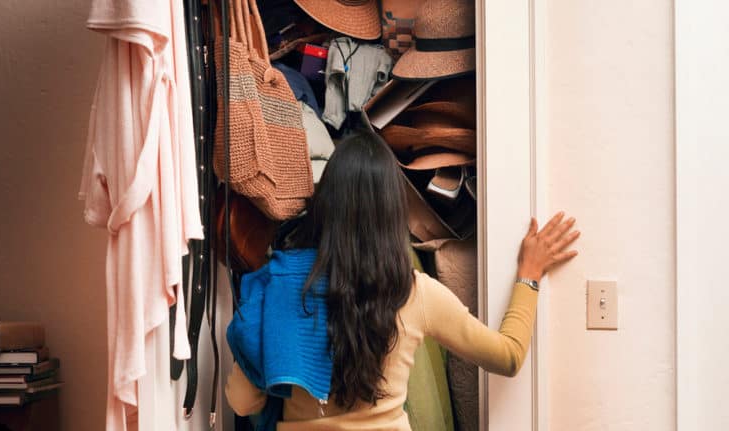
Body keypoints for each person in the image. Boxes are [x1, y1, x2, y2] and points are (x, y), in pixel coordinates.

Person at [224, 131, 580, 430]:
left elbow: (241, 402)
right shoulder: (415, 292)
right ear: (394, 211)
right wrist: (529, 275)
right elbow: (508, 356)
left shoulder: (281, 284)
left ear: (325, 204)